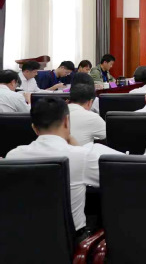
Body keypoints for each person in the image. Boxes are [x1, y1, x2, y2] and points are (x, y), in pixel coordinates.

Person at [5, 97, 122, 237]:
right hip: (71, 241)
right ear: (66, 121)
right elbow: (119, 177)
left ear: (34, 128)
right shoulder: (82, 156)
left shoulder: (13, 155)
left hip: (22, 237)